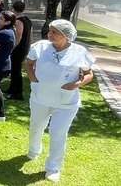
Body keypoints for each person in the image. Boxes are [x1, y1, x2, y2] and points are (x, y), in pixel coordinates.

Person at [25, 19, 95, 183]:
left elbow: (89, 74)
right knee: (36, 126)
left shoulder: (79, 52)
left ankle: (53, 167)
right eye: (49, 30)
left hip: (66, 103)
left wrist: (76, 84)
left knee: (58, 133)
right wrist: (34, 80)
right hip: (40, 97)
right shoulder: (41, 47)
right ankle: (34, 149)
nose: (50, 34)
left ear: (66, 35)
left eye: (54, 32)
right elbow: (29, 64)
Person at [5, 1, 32, 100]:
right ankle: (12, 88)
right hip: (24, 47)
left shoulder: (18, 20)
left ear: (13, 9)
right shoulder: (27, 20)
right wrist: (29, 47)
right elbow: (30, 36)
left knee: (16, 70)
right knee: (14, 69)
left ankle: (18, 92)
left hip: (19, 48)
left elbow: (18, 35)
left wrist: (12, 47)